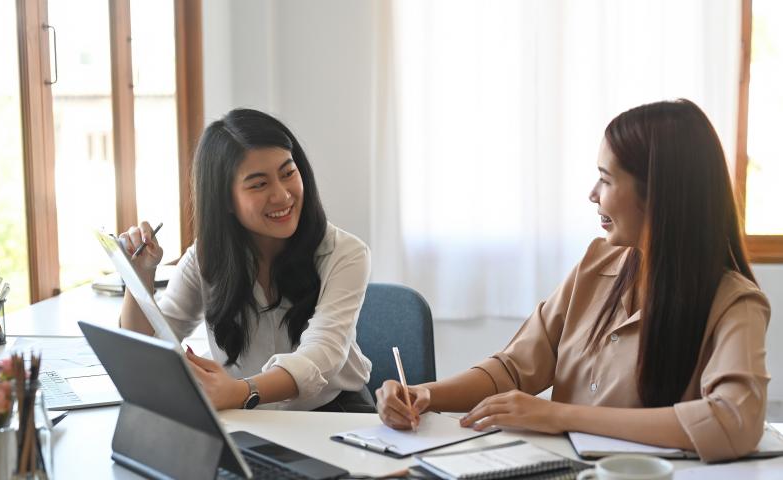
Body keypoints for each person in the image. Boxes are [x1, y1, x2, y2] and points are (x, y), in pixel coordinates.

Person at [377, 99, 770, 462]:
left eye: (607, 179)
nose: (592, 194)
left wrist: (561, 415)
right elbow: (514, 369)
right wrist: (426, 395)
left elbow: (733, 422)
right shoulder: (595, 265)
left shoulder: (734, 303)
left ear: (658, 195)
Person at [119, 108, 374, 412]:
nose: (282, 196)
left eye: (288, 173)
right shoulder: (205, 257)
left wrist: (240, 391)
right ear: (225, 199)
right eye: (259, 184)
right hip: (244, 414)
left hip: (331, 413)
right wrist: (138, 277)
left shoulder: (345, 253)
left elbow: (321, 356)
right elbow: (146, 352)